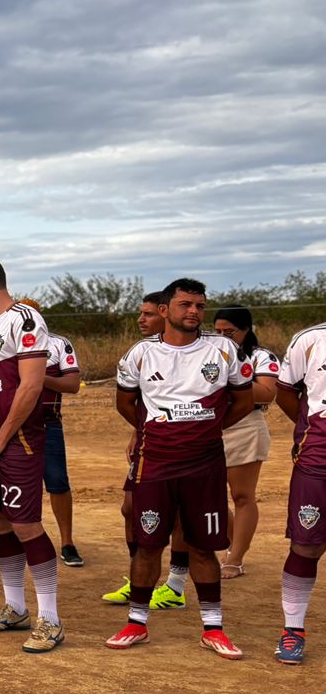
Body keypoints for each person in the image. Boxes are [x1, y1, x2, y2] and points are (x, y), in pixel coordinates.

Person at [107, 279, 252, 659]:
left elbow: (243, 401)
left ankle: (213, 629)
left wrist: (208, 428)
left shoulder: (223, 350)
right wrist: (152, 430)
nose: (194, 312)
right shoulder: (140, 353)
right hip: (155, 463)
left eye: (200, 306)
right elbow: (125, 403)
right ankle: (136, 624)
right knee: (148, 545)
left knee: (202, 547)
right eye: (185, 304)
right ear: (166, 309)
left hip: (205, 464)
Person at [0, 256, 65, 652]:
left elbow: (31, 386)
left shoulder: (25, 319)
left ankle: (51, 619)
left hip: (16, 441)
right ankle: (15, 607)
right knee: (0, 521)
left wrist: (2, 437)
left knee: (26, 524)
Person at [102, 292, 188, 604]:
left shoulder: (190, 353)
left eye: (148, 314)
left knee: (179, 514)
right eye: (141, 313)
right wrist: (139, 431)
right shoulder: (142, 352)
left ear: (166, 314)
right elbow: (133, 402)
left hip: (185, 447)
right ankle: (138, 577)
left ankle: (175, 585)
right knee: (130, 508)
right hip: (148, 443)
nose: (141, 319)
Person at [213, 307, 281, 578]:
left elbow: (266, 393)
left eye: (229, 332)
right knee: (210, 495)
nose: (222, 337)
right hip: (208, 426)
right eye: (217, 331)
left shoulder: (260, 356)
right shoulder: (205, 353)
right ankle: (233, 543)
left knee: (242, 495)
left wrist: (232, 376)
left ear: (246, 330)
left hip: (245, 426)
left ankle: (236, 558)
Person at [276, 320, 326, 663]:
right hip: (318, 458)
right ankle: (293, 630)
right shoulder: (310, 339)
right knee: (306, 545)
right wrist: (310, 432)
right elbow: (284, 392)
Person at [24, 301, 84, 567]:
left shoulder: (58, 344)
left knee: (58, 482)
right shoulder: (5, 344)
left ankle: (67, 543)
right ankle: (29, 542)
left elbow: (72, 384)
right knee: (22, 484)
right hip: (13, 426)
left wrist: (35, 377)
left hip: (48, 424)